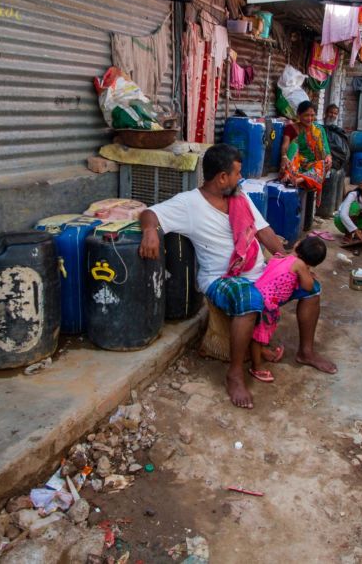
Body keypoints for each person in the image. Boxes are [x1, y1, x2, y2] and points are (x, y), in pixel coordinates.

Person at [138, 144, 336, 410]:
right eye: (236, 174)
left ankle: (306, 352)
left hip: (259, 273)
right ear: (222, 177)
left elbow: (264, 232)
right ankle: (234, 374)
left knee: (311, 287)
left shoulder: (239, 198)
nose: (239, 179)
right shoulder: (189, 204)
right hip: (221, 279)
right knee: (248, 297)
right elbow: (150, 213)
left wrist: (290, 261)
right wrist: (150, 230)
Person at [249, 236, 328, 384]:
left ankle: (261, 352)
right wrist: (307, 272)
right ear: (313, 263)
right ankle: (256, 367)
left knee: (258, 333)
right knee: (259, 336)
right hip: (267, 304)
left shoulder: (282, 256)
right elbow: (308, 286)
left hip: (258, 293)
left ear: (297, 245)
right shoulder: (299, 265)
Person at [280, 100, 332, 202]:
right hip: (296, 164)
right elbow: (285, 146)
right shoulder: (291, 128)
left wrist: (328, 158)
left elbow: (326, 150)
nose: (310, 119)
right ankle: (292, 176)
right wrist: (284, 156)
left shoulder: (319, 129)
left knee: (323, 164)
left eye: (312, 115)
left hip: (311, 167)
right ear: (299, 115)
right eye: (306, 115)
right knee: (293, 146)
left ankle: (301, 179)